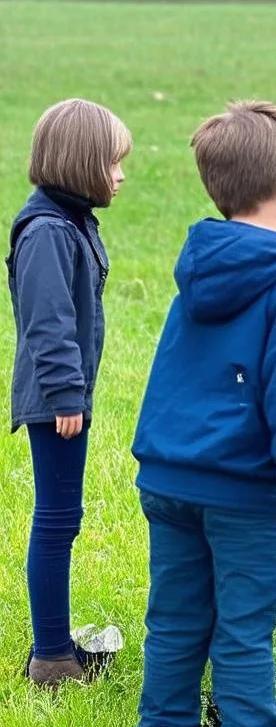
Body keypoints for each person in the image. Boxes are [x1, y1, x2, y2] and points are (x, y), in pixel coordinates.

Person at [132, 101, 276, 727]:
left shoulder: (201, 268)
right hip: (238, 486)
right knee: (245, 624)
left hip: (169, 474)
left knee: (175, 614)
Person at [8, 98, 131, 687]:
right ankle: (52, 658)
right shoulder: (47, 232)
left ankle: (54, 647)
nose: (121, 175)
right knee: (56, 521)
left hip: (66, 396)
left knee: (65, 518)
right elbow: (46, 321)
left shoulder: (70, 221)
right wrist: (64, 396)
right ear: (81, 162)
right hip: (55, 399)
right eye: (112, 162)